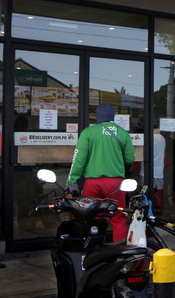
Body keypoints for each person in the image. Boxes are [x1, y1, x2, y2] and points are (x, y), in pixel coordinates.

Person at [67, 103, 135, 243]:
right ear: (113, 116)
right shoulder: (123, 133)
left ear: (97, 117)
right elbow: (130, 159)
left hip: (92, 183)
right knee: (118, 218)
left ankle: (94, 252)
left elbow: (78, 159)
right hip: (116, 184)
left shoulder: (88, 132)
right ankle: (120, 256)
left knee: (91, 217)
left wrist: (71, 181)